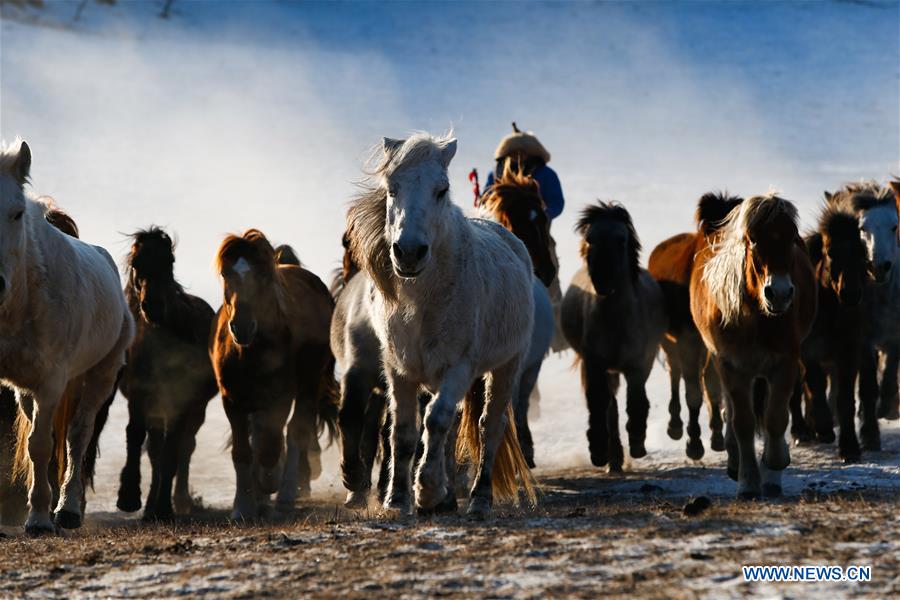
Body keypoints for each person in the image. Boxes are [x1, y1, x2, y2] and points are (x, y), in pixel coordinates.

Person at [482, 122, 565, 220]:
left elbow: (556, 202)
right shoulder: (496, 174)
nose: (518, 155)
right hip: (500, 223)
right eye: (514, 152)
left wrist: (541, 214)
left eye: (522, 152)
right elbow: (485, 199)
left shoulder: (546, 174)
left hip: (537, 224)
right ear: (507, 153)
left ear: (531, 153)